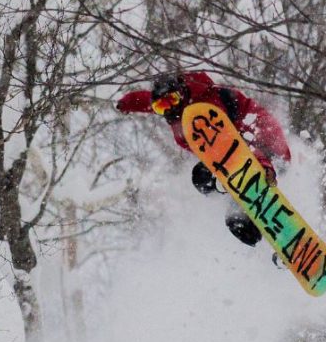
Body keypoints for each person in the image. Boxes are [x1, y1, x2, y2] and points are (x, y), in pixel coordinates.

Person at [116, 70, 293, 247]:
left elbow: (241, 144)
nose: (169, 109)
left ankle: (246, 196)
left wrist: (265, 166)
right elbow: (147, 101)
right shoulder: (181, 108)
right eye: (161, 107)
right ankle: (268, 246)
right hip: (238, 157)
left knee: (205, 178)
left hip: (266, 146)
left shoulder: (204, 110)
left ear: (182, 93)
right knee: (233, 217)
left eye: (172, 101)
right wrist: (126, 103)